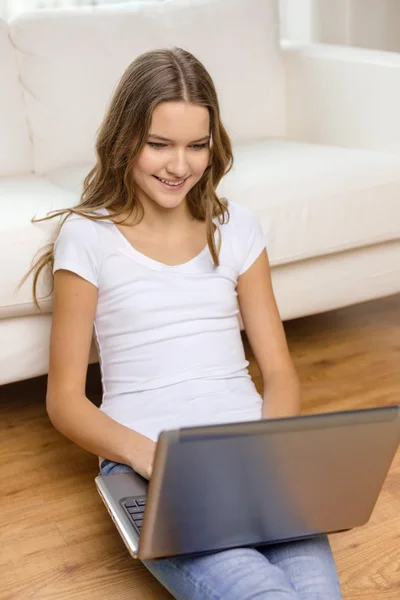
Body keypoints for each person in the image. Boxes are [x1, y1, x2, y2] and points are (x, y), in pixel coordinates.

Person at [22, 47, 342, 599]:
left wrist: (271, 453)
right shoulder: (88, 237)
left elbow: (281, 373)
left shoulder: (236, 227)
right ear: (125, 139)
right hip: (155, 464)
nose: (180, 165)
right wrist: (153, 459)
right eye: (159, 144)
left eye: (197, 145)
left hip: (251, 459)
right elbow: (65, 401)